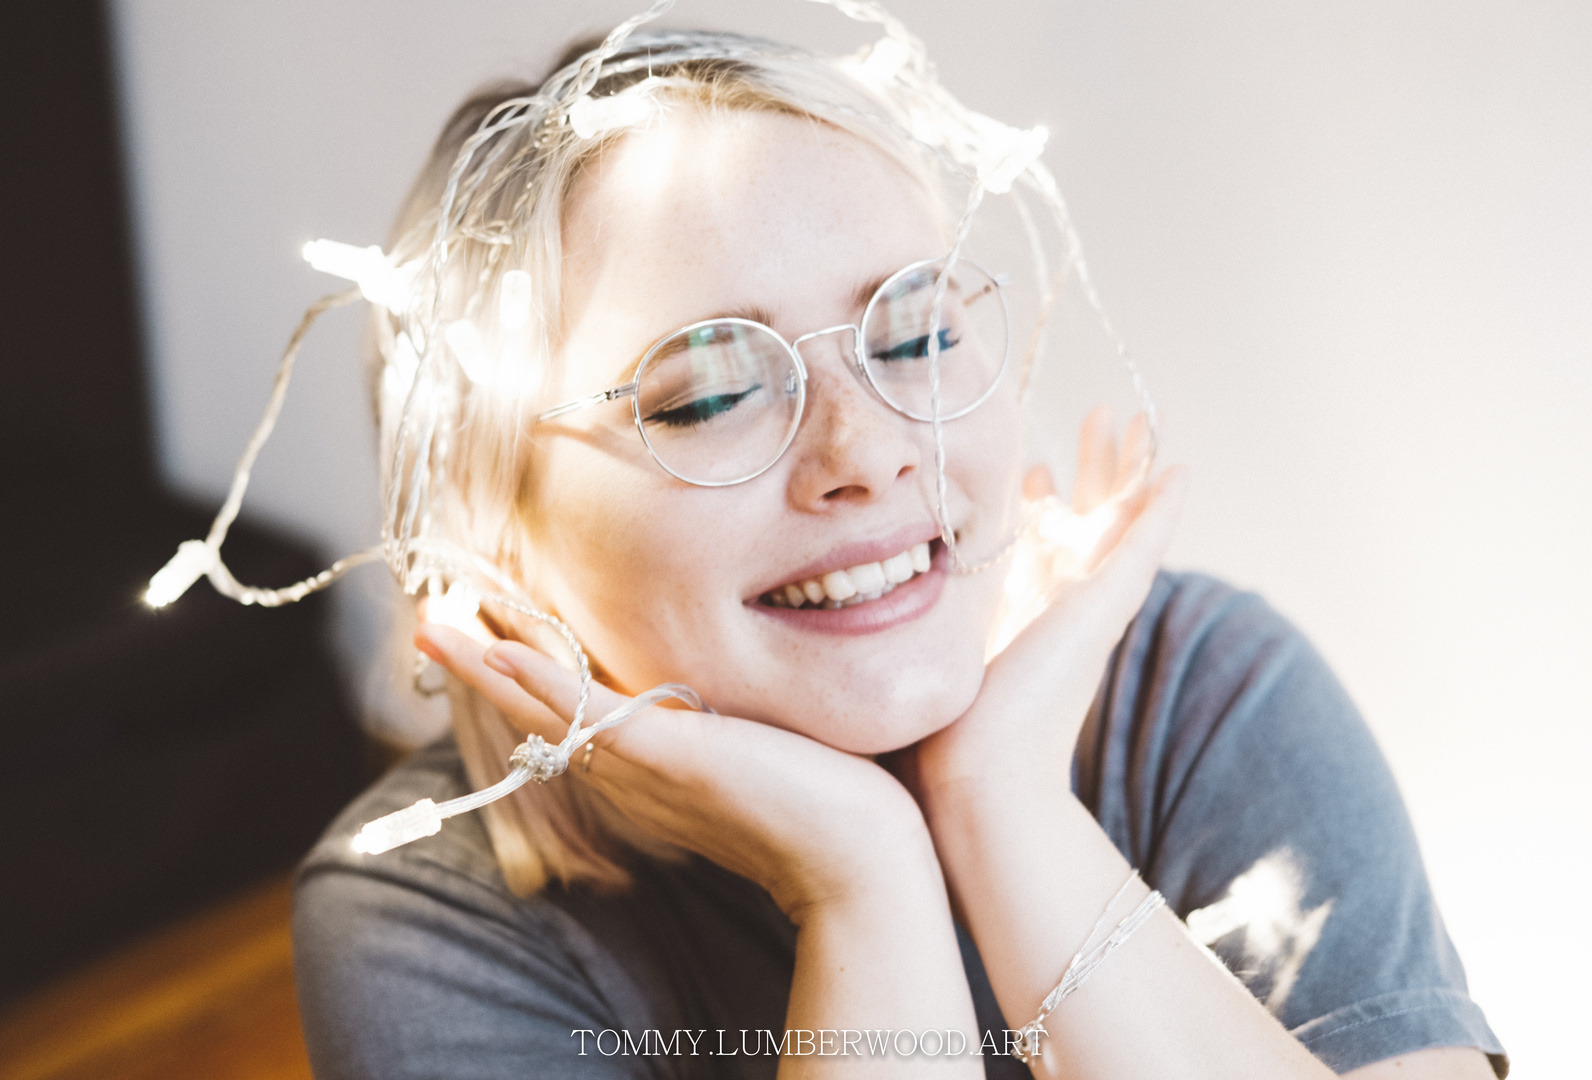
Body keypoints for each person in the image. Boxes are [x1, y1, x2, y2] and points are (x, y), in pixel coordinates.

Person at [288, 18, 1507, 1080]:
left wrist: (1001, 803)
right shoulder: (422, 917)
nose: (867, 449)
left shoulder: (1198, 689)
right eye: (708, 397)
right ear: (486, 530)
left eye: (914, 334)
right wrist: (861, 886)